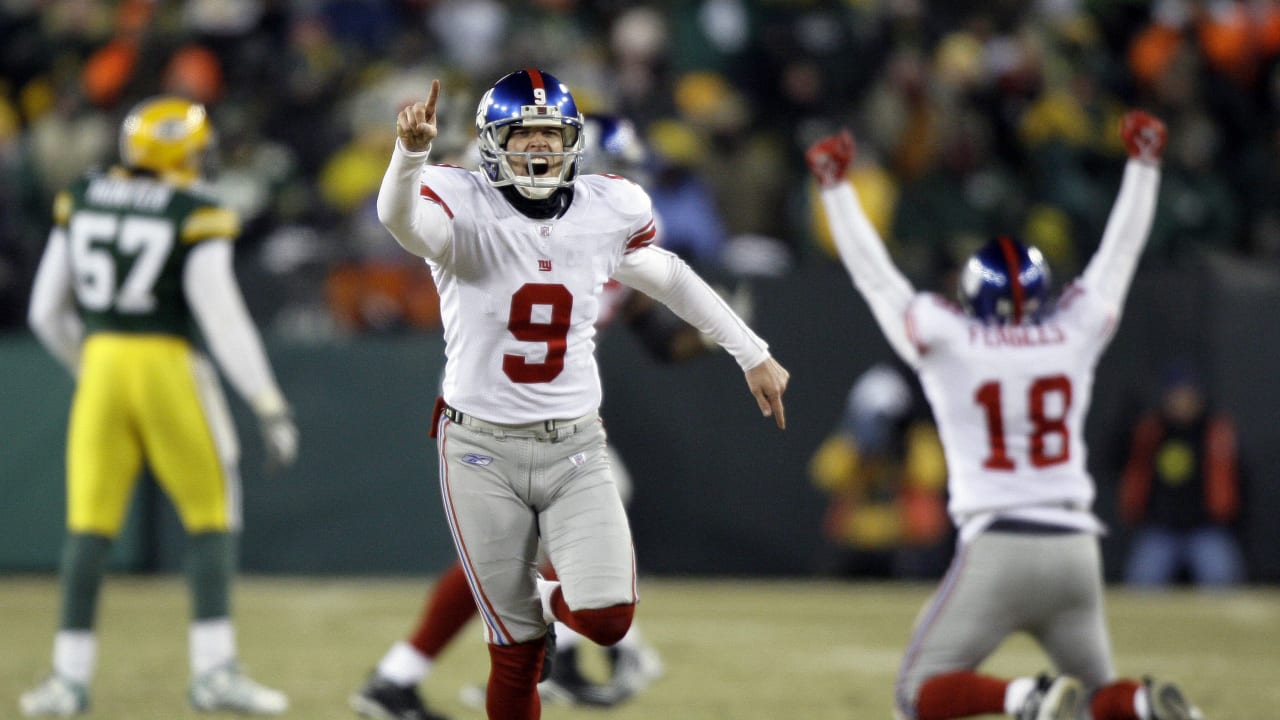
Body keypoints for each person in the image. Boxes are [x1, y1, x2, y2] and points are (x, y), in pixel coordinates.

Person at [374, 69, 789, 720]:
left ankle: (516, 601)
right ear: (492, 144)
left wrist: (751, 350)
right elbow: (399, 221)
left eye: (550, 133)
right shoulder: (460, 198)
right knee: (514, 658)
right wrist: (410, 155)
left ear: (574, 142)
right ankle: (510, 613)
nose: (538, 148)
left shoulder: (606, 208)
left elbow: (670, 278)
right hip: (480, 447)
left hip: (574, 444)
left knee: (609, 617)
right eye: (523, 135)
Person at [805, 110, 1204, 720]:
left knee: (917, 693)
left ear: (970, 295)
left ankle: (1027, 697)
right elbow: (1120, 252)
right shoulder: (1070, 334)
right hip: (1075, 545)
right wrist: (1144, 166)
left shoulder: (950, 339)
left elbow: (875, 276)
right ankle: (1149, 705)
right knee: (1102, 697)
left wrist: (835, 189)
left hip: (1000, 543)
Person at [21, 96, 299, 716]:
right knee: (210, 515)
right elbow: (223, 320)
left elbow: (44, 311)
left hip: (101, 363)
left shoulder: (85, 194)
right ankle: (214, 670)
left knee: (89, 526)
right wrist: (268, 402)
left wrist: (89, 365)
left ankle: (67, 679)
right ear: (178, 151)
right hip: (167, 366)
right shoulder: (193, 210)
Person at [808, 360, 950, 579]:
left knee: (924, 555)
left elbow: (934, 479)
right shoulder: (851, 443)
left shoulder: (918, 440)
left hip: (905, 538)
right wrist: (858, 451)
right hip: (857, 538)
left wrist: (902, 456)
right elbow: (824, 475)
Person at [1119, 359, 1245, 589]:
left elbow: (1239, 482)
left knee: (1223, 579)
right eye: (1177, 395)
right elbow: (1115, 461)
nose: (1183, 402)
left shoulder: (1215, 432)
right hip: (1160, 528)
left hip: (1205, 528)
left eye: (1188, 395)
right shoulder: (1150, 431)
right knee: (1141, 585)